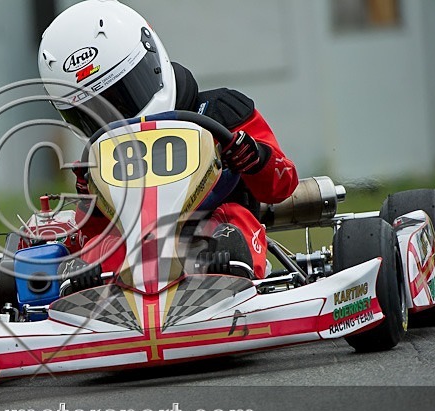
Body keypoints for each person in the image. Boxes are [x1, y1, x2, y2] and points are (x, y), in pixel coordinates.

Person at [38, 0, 298, 279]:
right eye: (93, 113)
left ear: (152, 62)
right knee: (96, 248)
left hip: (213, 233)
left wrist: (255, 158)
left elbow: (282, 185)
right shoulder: (100, 156)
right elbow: (93, 232)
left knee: (231, 220)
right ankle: (84, 292)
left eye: (122, 96)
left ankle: (231, 272)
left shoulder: (224, 112)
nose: (117, 118)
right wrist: (91, 199)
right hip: (136, 249)